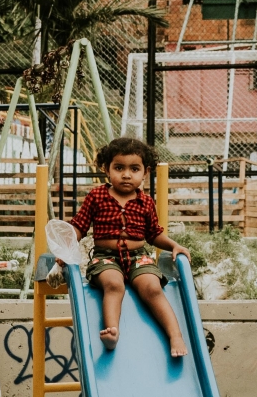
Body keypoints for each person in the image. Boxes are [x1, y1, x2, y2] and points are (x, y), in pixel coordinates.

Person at [66, 137, 192, 357]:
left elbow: (154, 234)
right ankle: (112, 331)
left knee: (152, 287)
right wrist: (65, 249)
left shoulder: (146, 202)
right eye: (119, 168)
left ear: (145, 172)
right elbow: (79, 226)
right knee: (114, 285)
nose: (126, 174)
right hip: (106, 258)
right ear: (106, 169)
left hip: (138, 257)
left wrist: (174, 245)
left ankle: (175, 334)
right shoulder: (97, 196)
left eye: (134, 169)